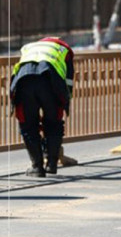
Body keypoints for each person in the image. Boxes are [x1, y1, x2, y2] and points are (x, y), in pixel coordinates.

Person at [10, 37, 74, 177]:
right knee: (53, 122)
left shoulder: (30, 47)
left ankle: (37, 167)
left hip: (23, 82)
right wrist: (65, 102)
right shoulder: (64, 49)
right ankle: (51, 164)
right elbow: (68, 80)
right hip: (50, 82)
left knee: (28, 125)